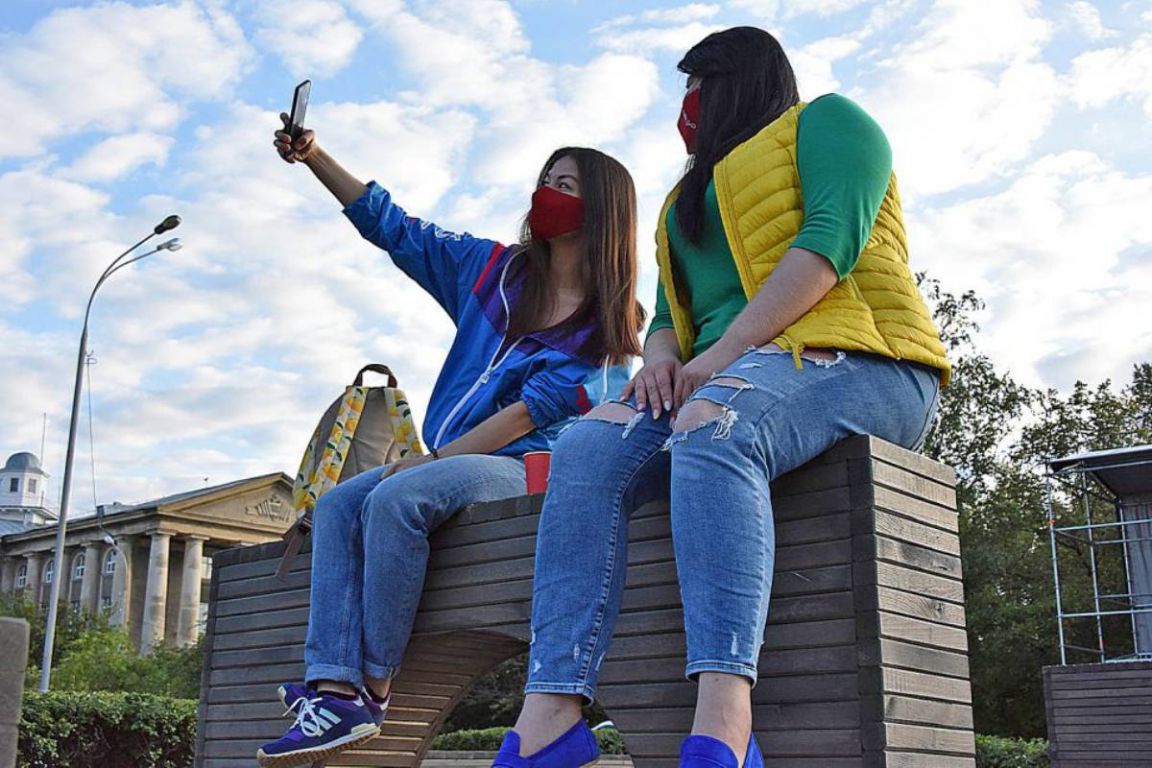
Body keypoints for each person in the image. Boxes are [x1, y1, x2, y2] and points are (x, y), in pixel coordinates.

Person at [496, 26, 951, 768]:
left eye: (697, 86)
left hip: (868, 361)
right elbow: (668, 319)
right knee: (584, 446)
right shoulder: (682, 202)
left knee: (713, 423)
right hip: (729, 371)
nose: (688, 105)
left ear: (737, 80)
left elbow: (829, 243)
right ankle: (550, 715)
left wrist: (716, 359)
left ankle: (725, 722)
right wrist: (661, 365)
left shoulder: (830, 121)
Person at [256, 115, 645, 768]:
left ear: (602, 211)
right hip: (450, 459)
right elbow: (396, 228)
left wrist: (429, 462)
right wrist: (315, 155)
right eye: (545, 179)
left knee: (396, 498)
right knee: (338, 504)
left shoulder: (609, 329)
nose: (546, 193)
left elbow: (523, 418)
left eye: (565, 185)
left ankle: (373, 689)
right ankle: (332, 689)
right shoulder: (492, 271)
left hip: (525, 465)